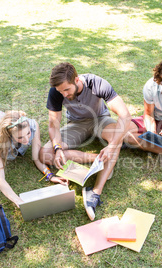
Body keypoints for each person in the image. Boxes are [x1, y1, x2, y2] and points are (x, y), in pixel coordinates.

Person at [39, 62, 131, 221]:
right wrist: (58, 148)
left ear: (76, 80)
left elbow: (125, 115)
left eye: (66, 90)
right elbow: (54, 123)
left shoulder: (97, 83)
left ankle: (95, 192)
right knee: (45, 153)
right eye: (60, 91)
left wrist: (112, 145)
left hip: (101, 120)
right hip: (76, 124)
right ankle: (98, 159)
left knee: (117, 140)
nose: (64, 94)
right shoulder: (56, 91)